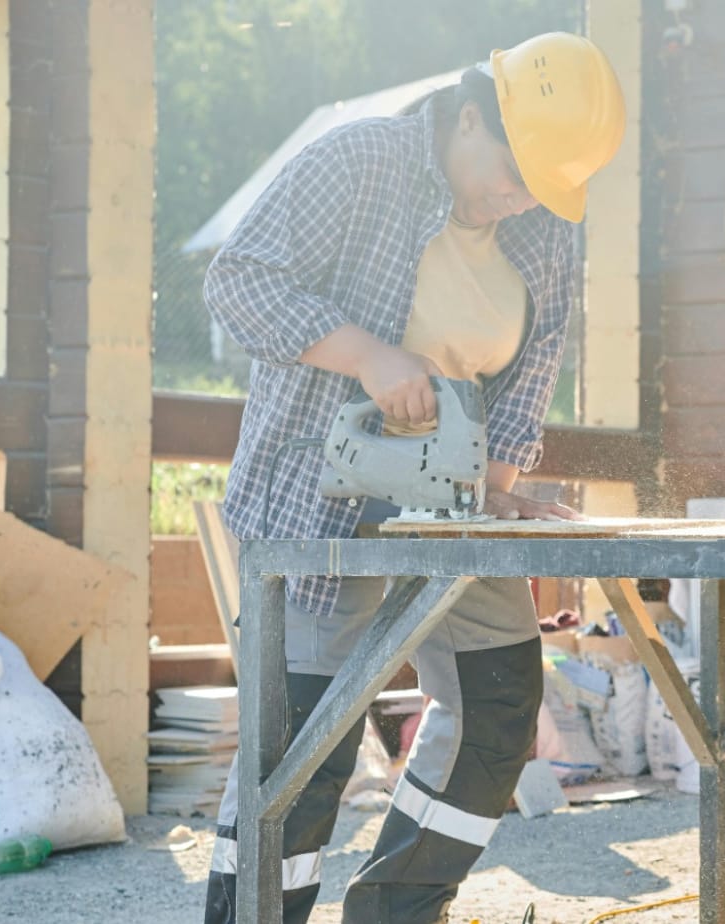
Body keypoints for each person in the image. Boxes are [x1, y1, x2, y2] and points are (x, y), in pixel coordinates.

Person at [199, 32, 624, 924]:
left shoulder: (543, 226)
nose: (518, 199)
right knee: (303, 749)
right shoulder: (359, 162)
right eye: (512, 174)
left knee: (500, 702)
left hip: (453, 503)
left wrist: (500, 483)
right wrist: (367, 358)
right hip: (316, 498)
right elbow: (240, 282)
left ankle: (395, 909)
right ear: (471, 116)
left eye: (539, 187)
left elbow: (531, 369)